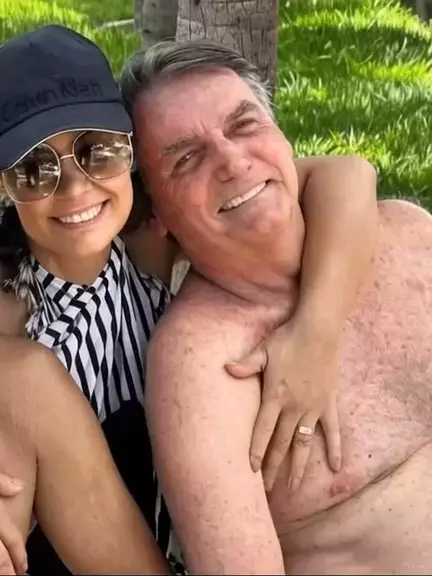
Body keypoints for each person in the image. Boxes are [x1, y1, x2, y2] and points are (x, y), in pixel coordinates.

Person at [0, 25, 376, 575]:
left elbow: (348, 174)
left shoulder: (142, 240)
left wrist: (316, 331)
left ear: (130, 154)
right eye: (35, 171)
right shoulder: (17, 325)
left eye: (97, 152)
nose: (75, 189)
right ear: (5, 187)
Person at [121, 39, 432, 575]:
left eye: (244, 126)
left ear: (285, 141)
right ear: (158, 216)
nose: (232, 161)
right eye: (187, 159)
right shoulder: (203, 365)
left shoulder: (409, 235)